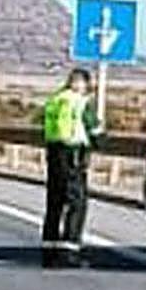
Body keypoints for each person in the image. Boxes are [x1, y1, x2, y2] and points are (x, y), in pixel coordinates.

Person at [41, 68, 104, 267]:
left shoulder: (55, 100)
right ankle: (70, 251)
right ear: (83, 84)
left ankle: (48, 252)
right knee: (76, 204)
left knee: (54, 203)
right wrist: (100, 142)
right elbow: (94, 130)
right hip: (73, 156)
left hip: (53, 154)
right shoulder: (81, 102)